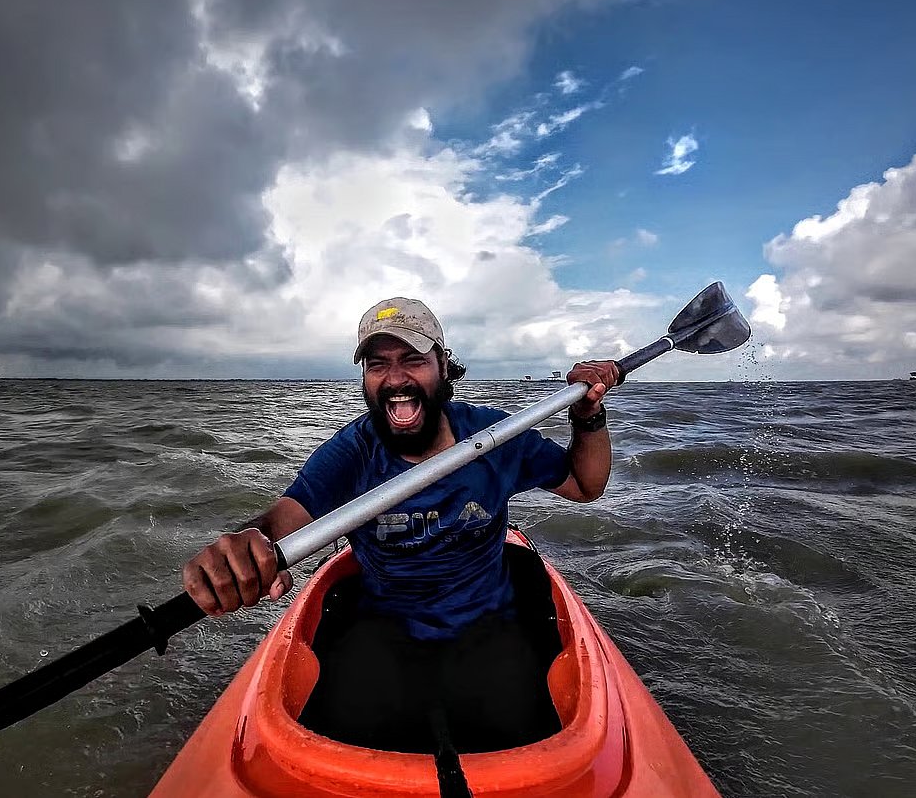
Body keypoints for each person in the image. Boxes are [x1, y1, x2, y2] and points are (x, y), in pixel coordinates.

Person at [182, 297, 618, 752]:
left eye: (413, 360)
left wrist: (588, 417)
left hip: (490, 624)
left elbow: (586, 485)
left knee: (528, 746)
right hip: (385, 628)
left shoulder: (496, 436)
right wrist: (244, 548)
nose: (395, 379)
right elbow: (281, 523)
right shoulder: (352, 452)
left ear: (443, 368)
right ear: (366, 378)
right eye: (378, 364)